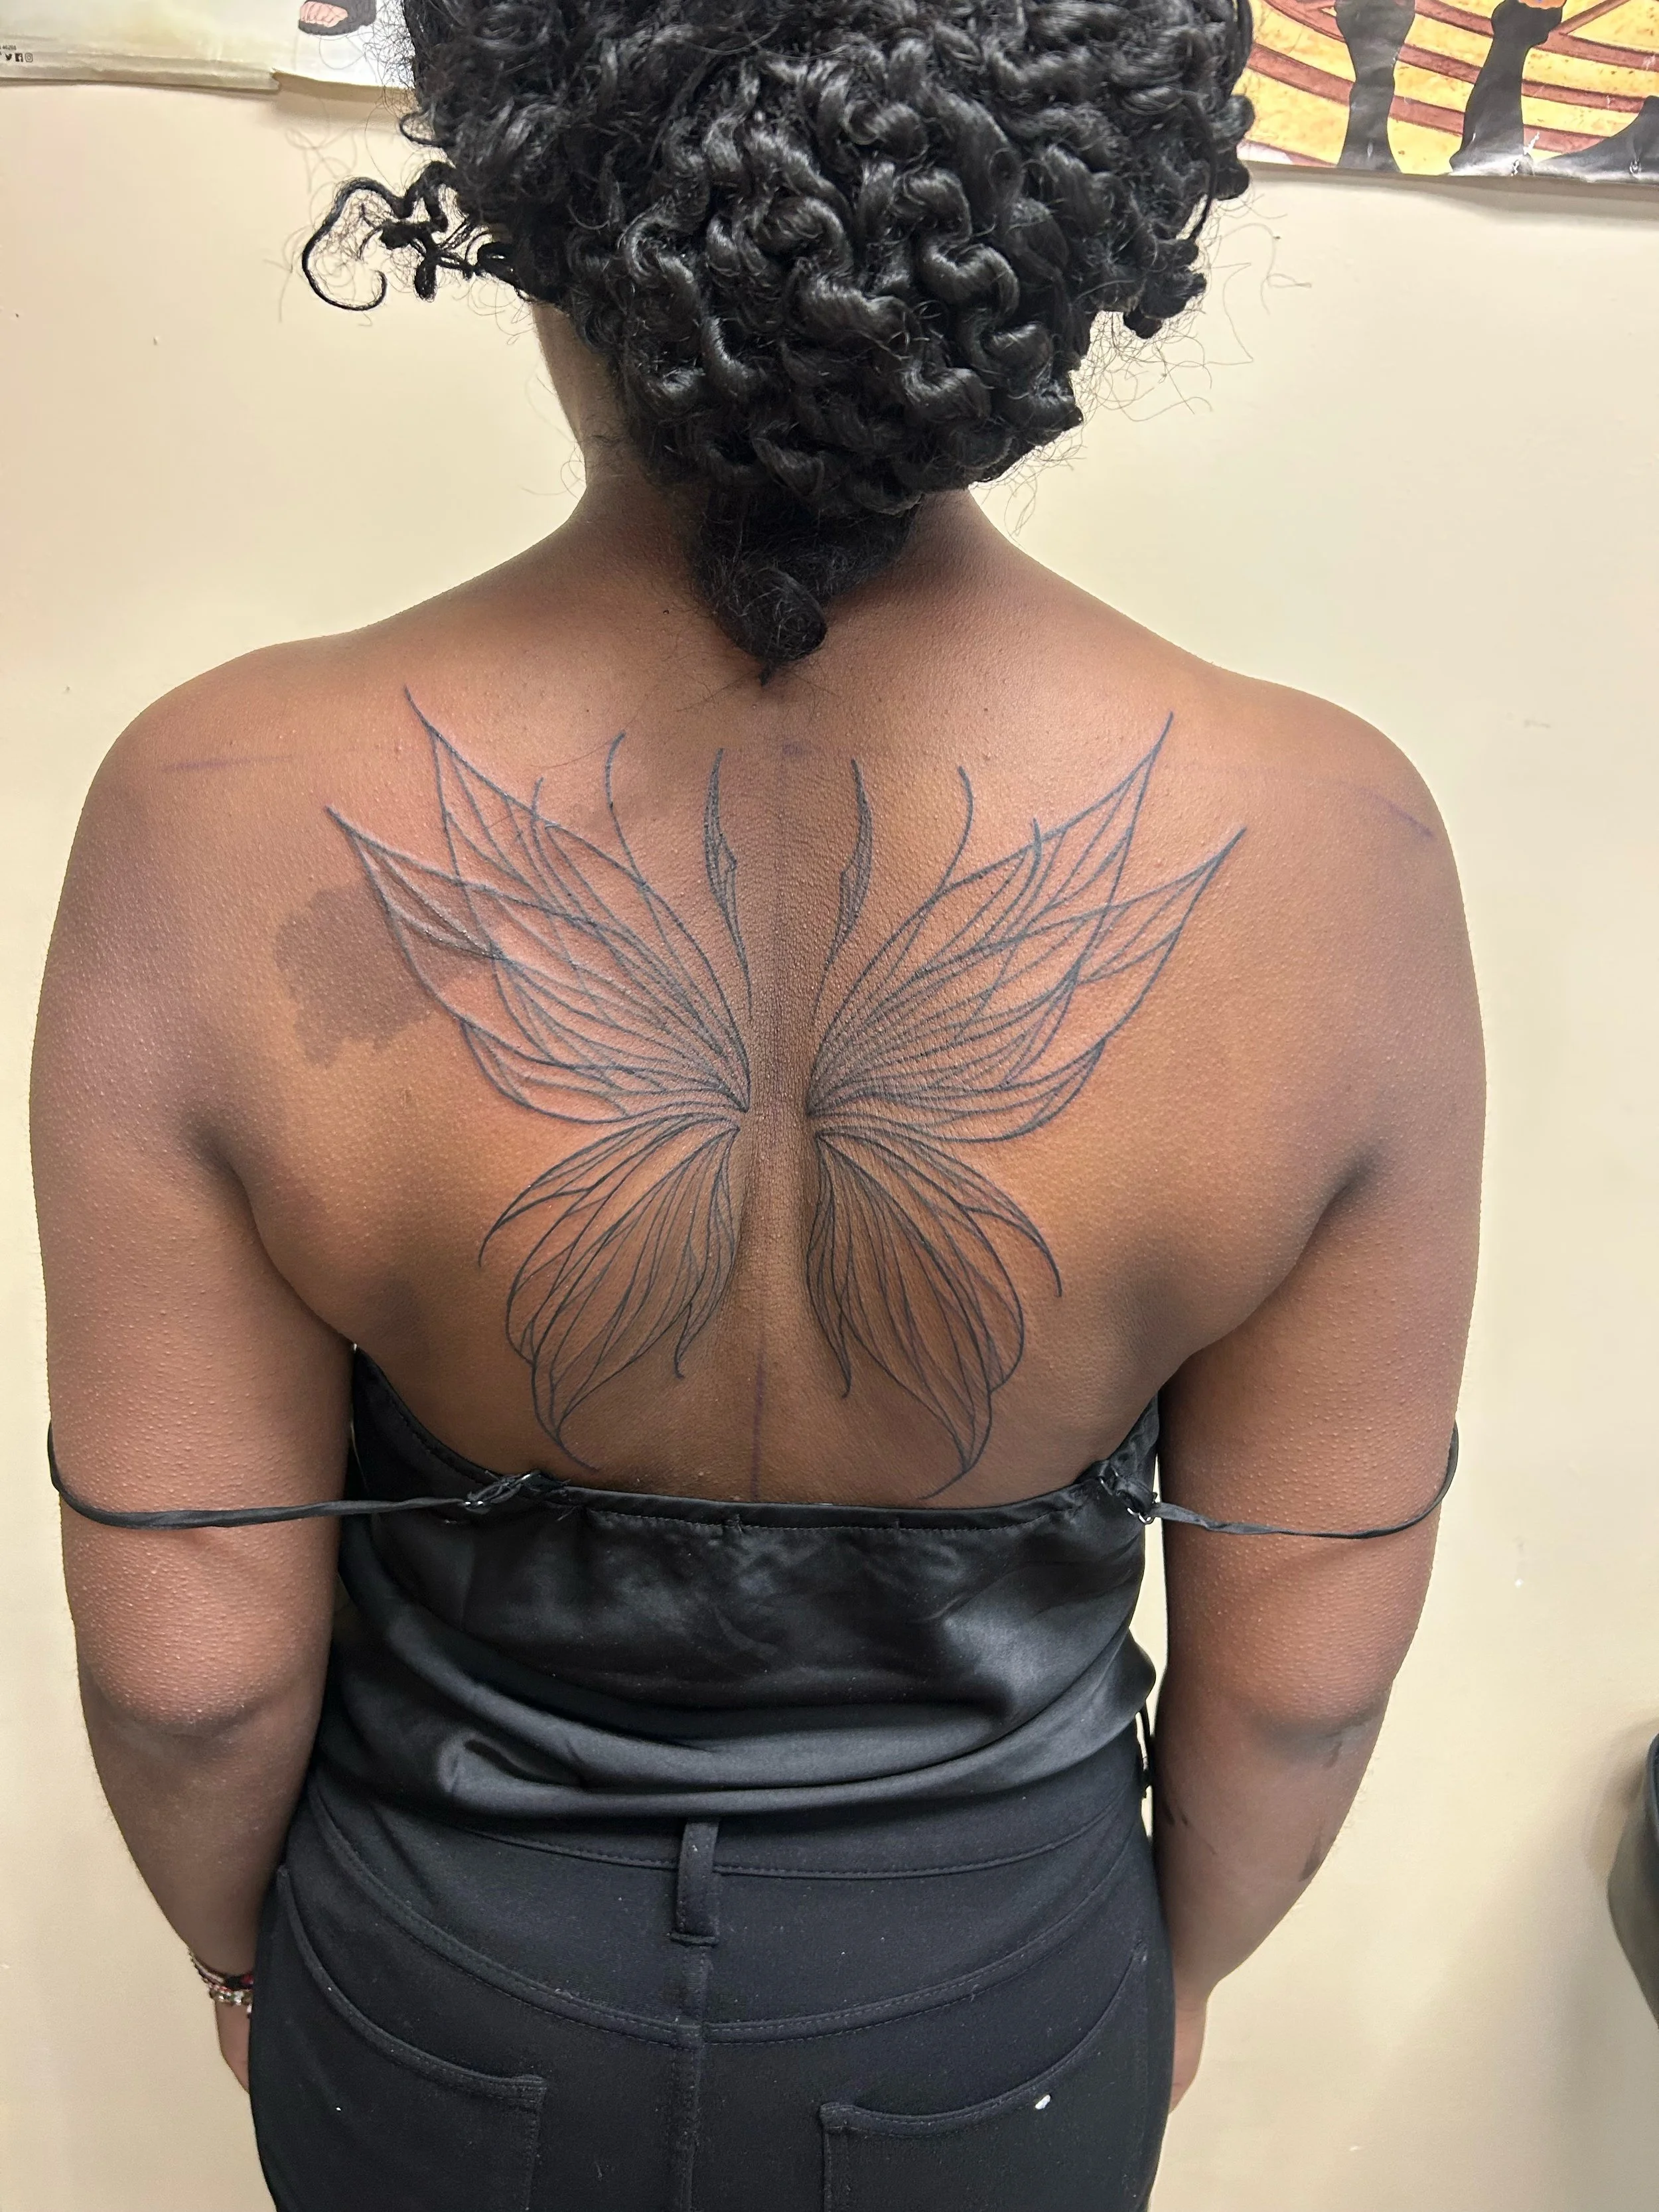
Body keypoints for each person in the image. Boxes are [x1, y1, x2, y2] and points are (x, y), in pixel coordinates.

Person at [32, 4, 1482, 2207]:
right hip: (993, 2002)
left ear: (520, 182)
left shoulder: (211, 808)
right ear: (1053, 213)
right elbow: (1298, 1686)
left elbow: (192, 1680)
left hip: (436, 1984)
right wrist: (1149, 1979)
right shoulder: (1336, 847)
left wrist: (268, 1969)